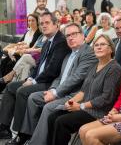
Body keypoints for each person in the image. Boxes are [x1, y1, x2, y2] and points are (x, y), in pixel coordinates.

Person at [18, 23, 97, 145]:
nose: (70, 38)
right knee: (33, 98)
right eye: (68, 36)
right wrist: (53, 89)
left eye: (74, 34)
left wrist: (55, 93)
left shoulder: (88, 53)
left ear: (82, 35)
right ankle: (28, 136)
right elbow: (60, 77)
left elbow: (76, 78)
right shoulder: (68, 55)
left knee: (48, 107)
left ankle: (37, 142)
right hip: (61, 91)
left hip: (76, 95)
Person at [0, 12, 70, 143]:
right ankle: (4, 127)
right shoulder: (48, 42)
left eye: (47, 23)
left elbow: (53, 70)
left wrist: (34, 81)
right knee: (10, 87)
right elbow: (38, 66)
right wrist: (30, 78)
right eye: (41, 23)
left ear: (56, 24)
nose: (43, 26)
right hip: (39, 79)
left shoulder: (60, 41)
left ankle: (21, 134)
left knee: (22, 91)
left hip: (50, 83)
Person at [47, 34, 121, 145]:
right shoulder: (94, 66)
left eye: (102, 44)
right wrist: (71, 101)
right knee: (52, 117)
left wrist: (81, 106)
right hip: (84, 108)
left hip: (99, 112)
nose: (99, 47)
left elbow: (106, 98)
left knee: (61, 122)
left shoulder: (114, 68)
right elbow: (83, 91)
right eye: (96, 45)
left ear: (110, 48)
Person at [0, 14, 42, 91]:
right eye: (29, 20)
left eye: (33, 20)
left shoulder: (39, 33)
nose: (31, 22)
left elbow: (32, 47)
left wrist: (23, 47)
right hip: (20, 52)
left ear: (37, 22)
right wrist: (18, 46)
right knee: (4, 61)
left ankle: (6, 85)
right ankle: (2, 84)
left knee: (10, 63)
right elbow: (19, 42)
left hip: (26, 54)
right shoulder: (27, 32)